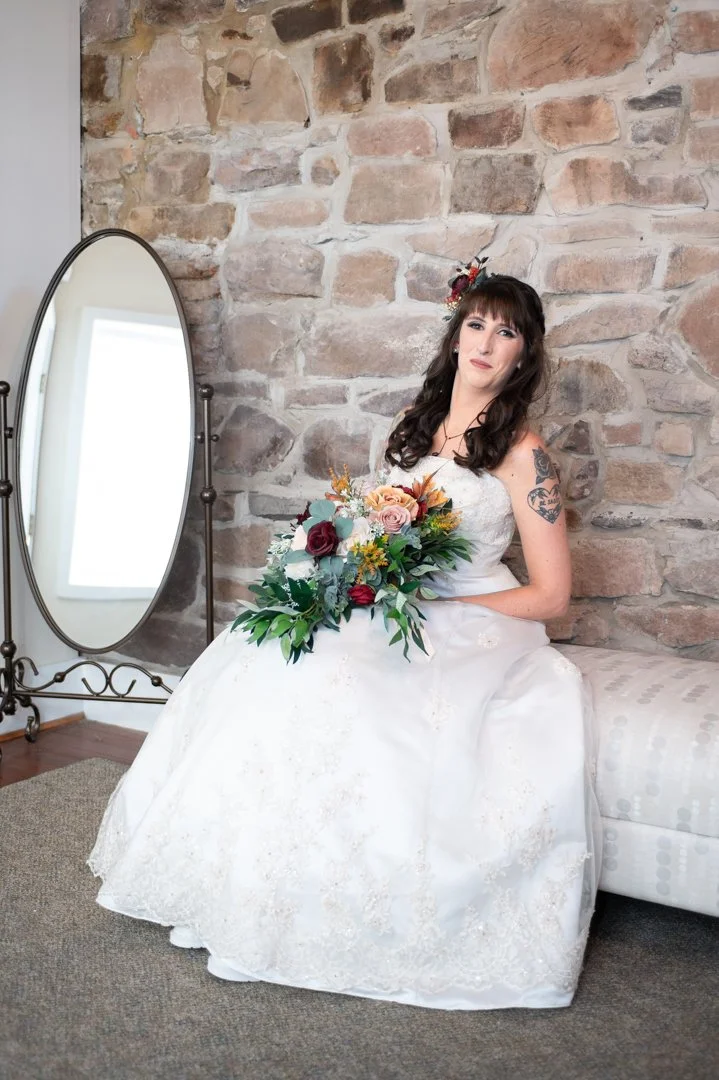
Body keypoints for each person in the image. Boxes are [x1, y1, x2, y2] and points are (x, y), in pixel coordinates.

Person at [89, 260, 602, 1011]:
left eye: (507, 333)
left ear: (524, 354)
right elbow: (381, 527)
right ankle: (251, 873)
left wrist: (455, 609)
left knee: (352, 681)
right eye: (477, 325)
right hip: (398, 598)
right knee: (264, 651)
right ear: (456, 334)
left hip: (480, 617)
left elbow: (551, 595)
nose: (487, 343)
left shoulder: (524, 456)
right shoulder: (419, 425)